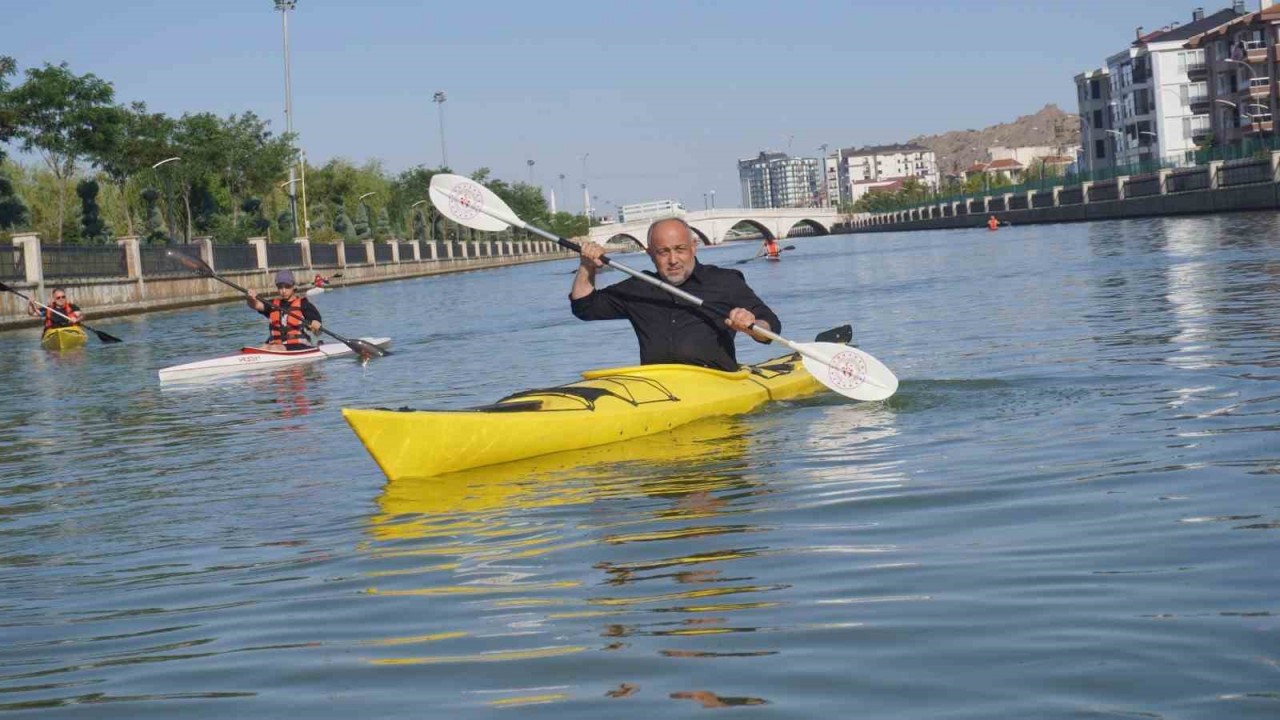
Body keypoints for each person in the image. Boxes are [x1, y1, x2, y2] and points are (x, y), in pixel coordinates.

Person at [570, 217, 780, 371]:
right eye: (663, 252)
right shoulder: (639, 287)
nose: (673, 260)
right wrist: (587, 266)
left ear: (693, 248)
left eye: (680, 249)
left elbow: (770, 327)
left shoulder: (724, 282)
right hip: (660, 388)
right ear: (650, 254)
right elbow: (584, 307)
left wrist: (751, 327)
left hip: (717, 382)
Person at [246, 269, 322, 350]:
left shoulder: (304, 305)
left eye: (287, 287)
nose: (283, 291)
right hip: (276, 345)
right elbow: (256, 305)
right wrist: (250, 298)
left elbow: (318, 333)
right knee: (265, 347)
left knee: (275, 348)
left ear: (293, 286)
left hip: (299, 346)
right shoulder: (272, 305)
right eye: (280, 287)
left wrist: (316, 327)